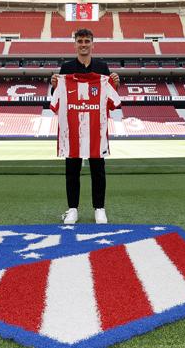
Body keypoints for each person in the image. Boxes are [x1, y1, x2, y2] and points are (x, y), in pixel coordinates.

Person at [50, 28, 121, 224]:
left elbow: (112, 97)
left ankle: (99, 208)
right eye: (80, 41)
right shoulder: (66, 68)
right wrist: (54, 84)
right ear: (75, 44)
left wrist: (116, 82)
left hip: (95, 128)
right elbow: (56, 95)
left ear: (92, 43)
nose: (83, 44)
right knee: (72, 169)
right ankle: (72, 209)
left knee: (98, 169)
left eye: (86, 41)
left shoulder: (102, 67)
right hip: (72, 127)